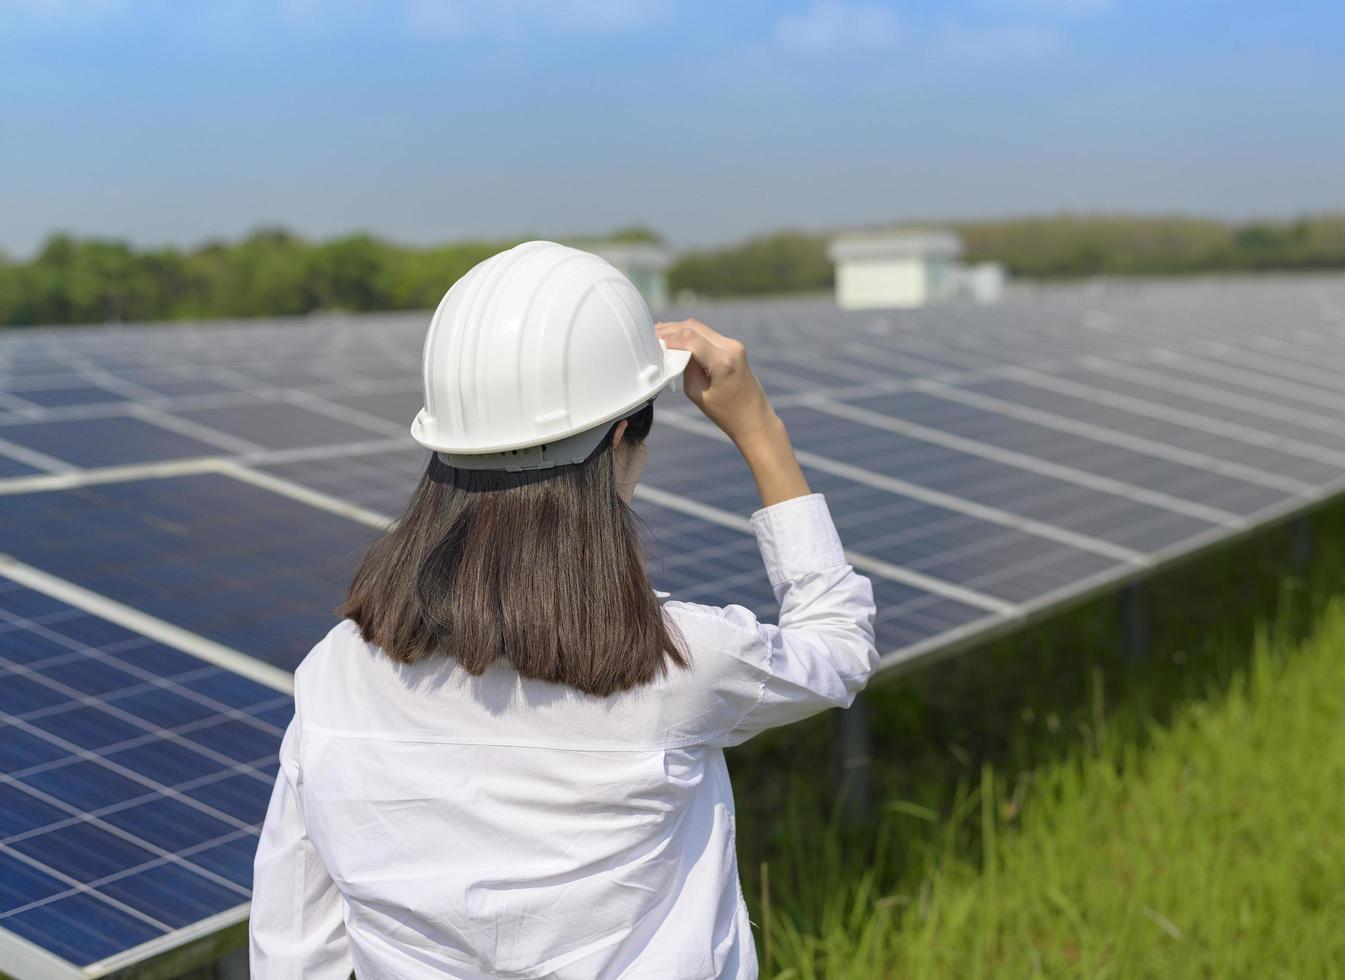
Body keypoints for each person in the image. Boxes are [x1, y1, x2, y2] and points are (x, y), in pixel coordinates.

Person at [249, 241, 878, 978]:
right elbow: (838, 648)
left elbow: (294, 946)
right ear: (622, 436)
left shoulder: (333, 675)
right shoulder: (679, 665)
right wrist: (759, 428)